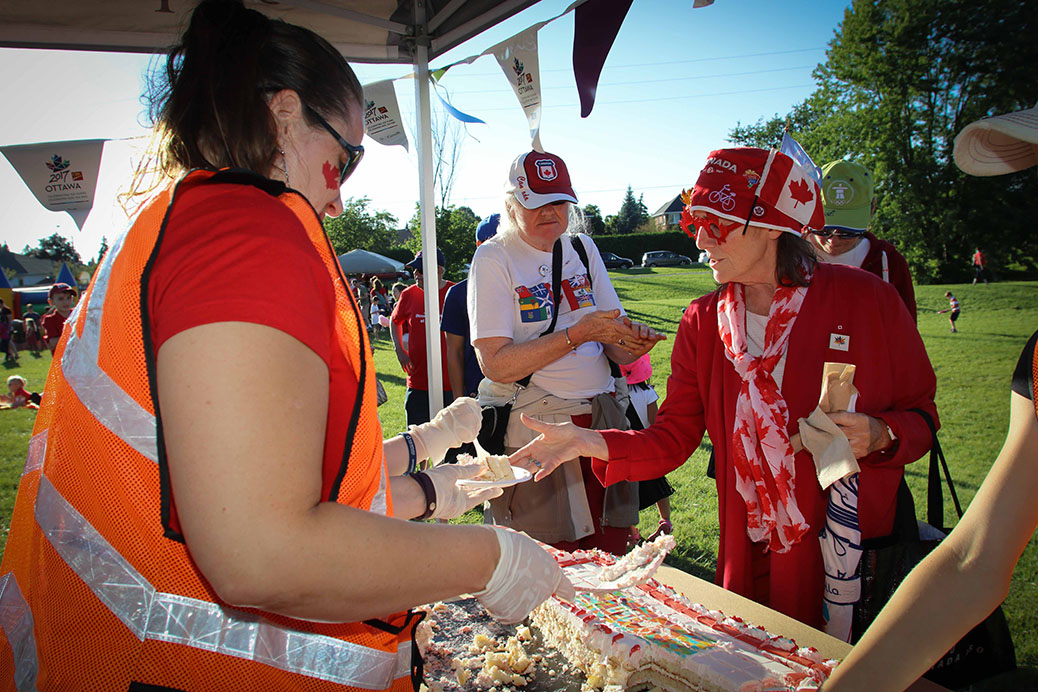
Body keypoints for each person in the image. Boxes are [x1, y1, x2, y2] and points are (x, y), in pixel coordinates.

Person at [0, 2, 572, 688]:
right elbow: (262, 553)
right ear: (283, 114)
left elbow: (282, 478)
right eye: (344, 159)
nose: (337, 200)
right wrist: (490, 559)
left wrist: (427, 468)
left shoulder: (177, 221)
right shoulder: (245, 233)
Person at [509, 147, 938, 628]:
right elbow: (674, 437)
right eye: (697, 224)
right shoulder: (703, 321)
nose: (702, 241)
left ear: (775, 224)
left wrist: (880, 434)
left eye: (720, 224)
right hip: (748, 544)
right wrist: (586, 441)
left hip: (844, 547)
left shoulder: (867, 300)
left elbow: (921, 416)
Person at [823, 101, 1038, 692]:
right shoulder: (1037, 363)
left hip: (868, 475)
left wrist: (887, 428)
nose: (830, 241)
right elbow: (973, 560)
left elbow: (913, 387)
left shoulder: (889, 265)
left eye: (843, 230)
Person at [469, 150, 665, 556]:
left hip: (598, 424)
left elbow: (615, 345)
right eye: (536, 201)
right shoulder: (493, 256)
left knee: (609, 553)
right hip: (537, 430)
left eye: (558, 201)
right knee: (544, 559)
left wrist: (632, 346)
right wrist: (576, 334)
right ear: (511, 204)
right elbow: (496, 365)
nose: (550, 212)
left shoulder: (582, 248)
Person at [809, 160, 916, 320]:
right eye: (824, 230)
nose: (834, 240)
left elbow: (905, 334)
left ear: (873, 207)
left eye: (848, 232)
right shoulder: (784, 251)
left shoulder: (889, 263)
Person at [391, 247, 455, 427]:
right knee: (416, 441)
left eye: (420, 270)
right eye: (414, 270)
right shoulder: (409, 294)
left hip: (450, 384)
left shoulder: (455, 293)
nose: (416, 274)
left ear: (438, 271)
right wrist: (399, 350)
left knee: (452, 445)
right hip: (418, 383)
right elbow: (394, 321)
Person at [442, 213, 499, 400]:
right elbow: (454, 352)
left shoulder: (527, 285)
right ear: (478, 246)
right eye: (491, 244)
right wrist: (460, 402)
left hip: (525, 393)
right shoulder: (458, 293)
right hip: (478, 392)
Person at [620, 354, 674, 544]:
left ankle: (631, 530)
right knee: (658, 483)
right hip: (647, 446)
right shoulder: (648, 393)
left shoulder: (616, 395)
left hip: (626, 448)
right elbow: (654, 422)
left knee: (627, 489)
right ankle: (665, 520)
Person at [41, 282, 77, 353]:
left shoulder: (78, 314)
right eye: (60, 299)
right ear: (51, 302)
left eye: (68, 298)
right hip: (63, 360)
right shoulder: (50, 320)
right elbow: (53, 343)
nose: (65, 302)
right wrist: (74, 334)